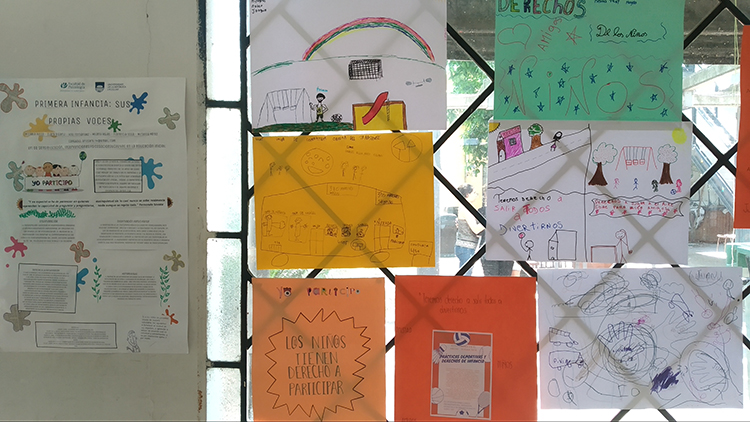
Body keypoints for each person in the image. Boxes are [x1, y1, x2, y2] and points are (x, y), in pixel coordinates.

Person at [455, 183, 482, 275]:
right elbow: (475, 229)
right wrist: (488, 223)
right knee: (466, 276)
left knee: (464, 274)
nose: (476, 195)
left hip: (464, 246)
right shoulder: (466, 209)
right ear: (467, 194)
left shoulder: (462, 207)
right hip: (466, 247)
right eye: (474, 193)